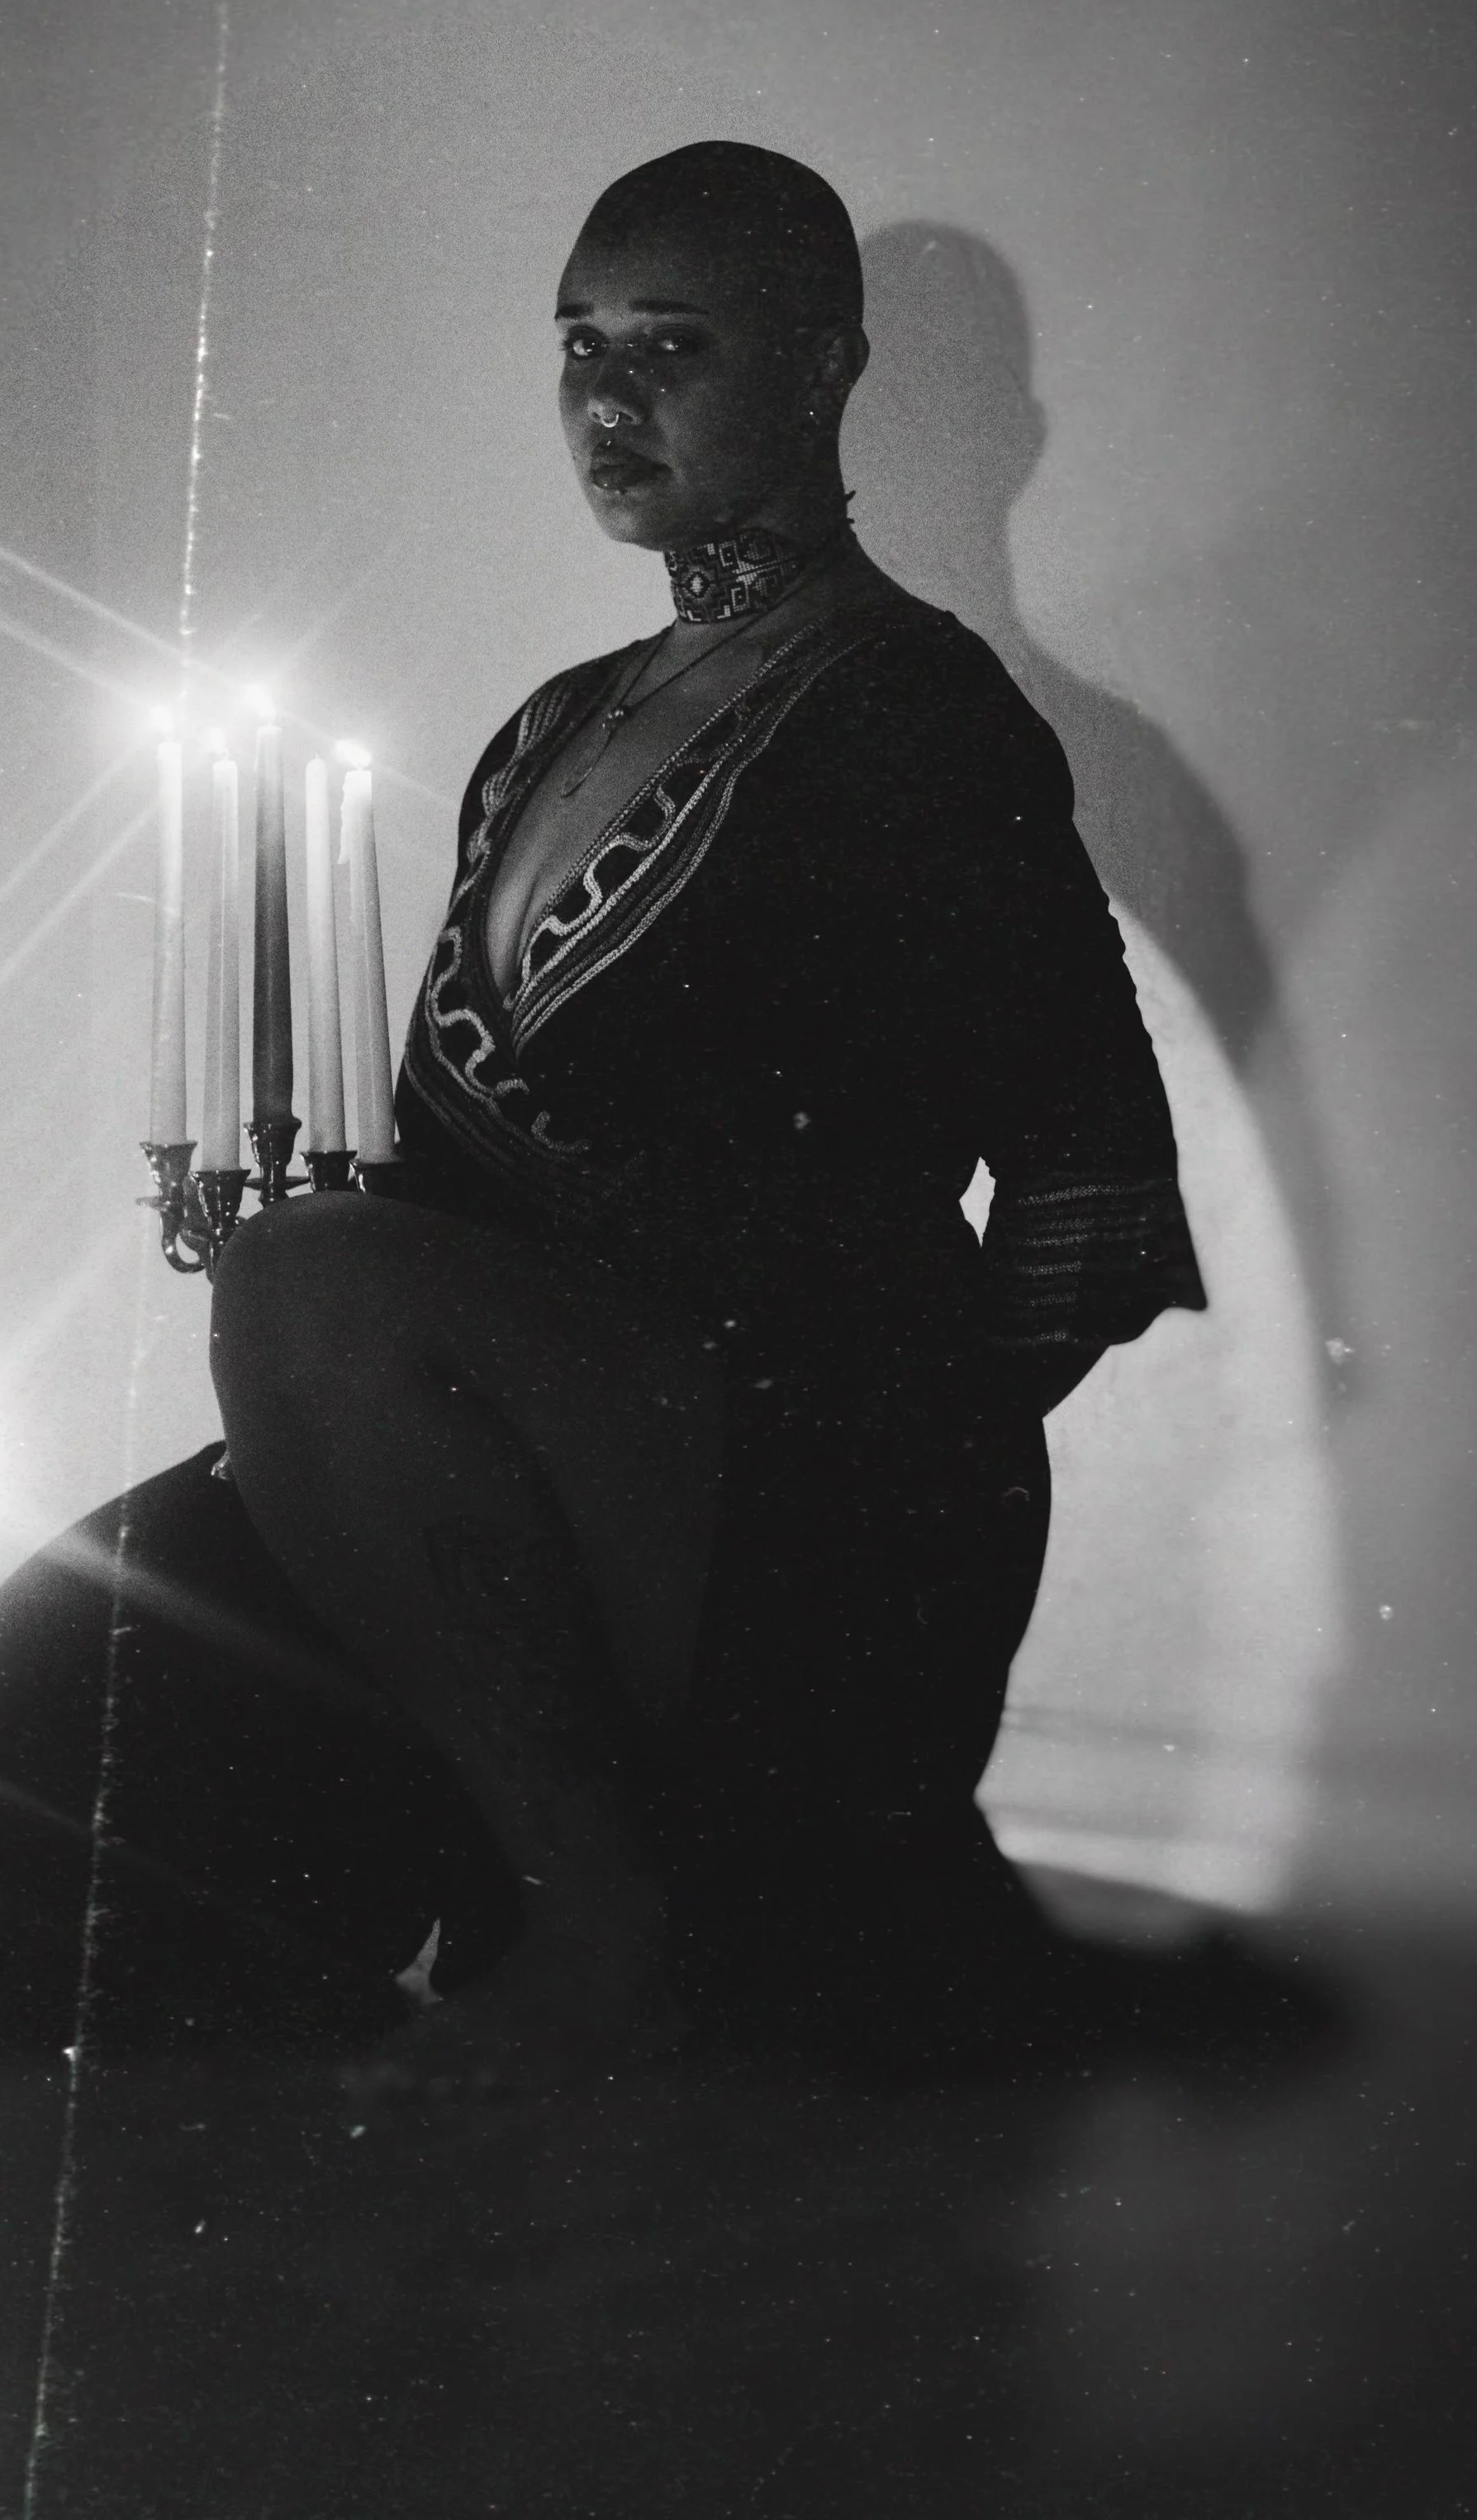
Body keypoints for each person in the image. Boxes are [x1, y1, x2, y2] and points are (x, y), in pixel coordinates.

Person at [205, 140, 1205, 2090]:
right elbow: (425, 1178)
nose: (604, 395)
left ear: (823, 367)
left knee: (304, 1281)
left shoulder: (912, 706)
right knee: (80, 1639)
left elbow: (1088, 1184)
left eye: (670, 342)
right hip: (567, 1438)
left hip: (812, 1484)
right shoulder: (550, 725)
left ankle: (609, 1924)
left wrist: (889, 1486)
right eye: (576, 343)